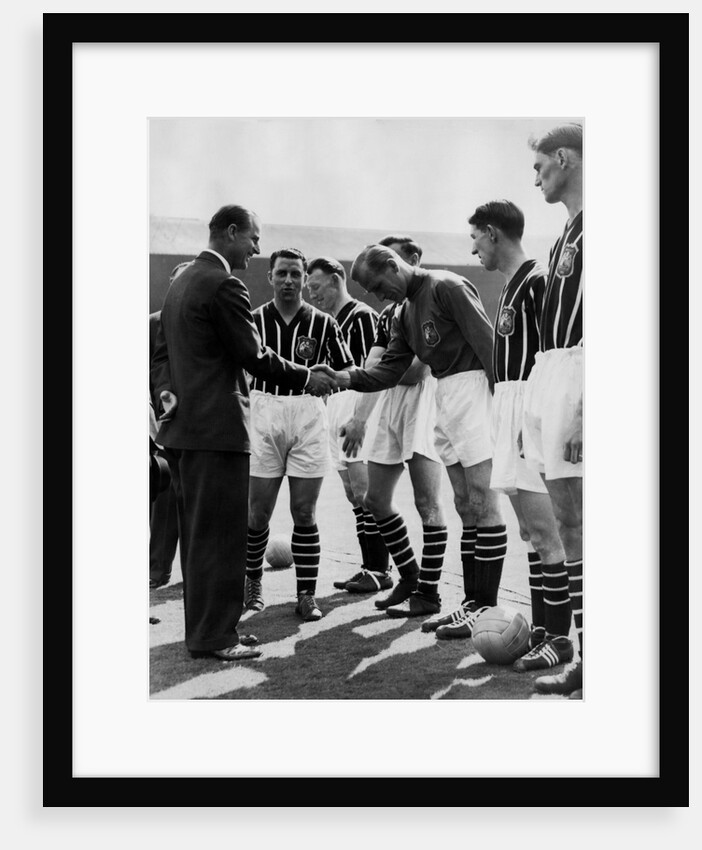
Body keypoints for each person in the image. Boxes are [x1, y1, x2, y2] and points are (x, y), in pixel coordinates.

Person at [150, 205, 336, 661]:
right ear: (231, 232)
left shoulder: (180, 282)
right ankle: (217, 637)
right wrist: (307, 376)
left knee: (197, 538)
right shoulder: (223, 284)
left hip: (184, 433)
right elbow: (255, 356)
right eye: (253, 238)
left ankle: (207, 631)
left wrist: (165, 396)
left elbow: (161, 355)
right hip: (217, 432)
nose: (255, 248)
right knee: (218, 537)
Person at [316, 244, 508, 638]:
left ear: (393, 265)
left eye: (377, 284)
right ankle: (471, 603)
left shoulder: (446, 286)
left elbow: (489, 346)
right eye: (369, 291)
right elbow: (387, 370)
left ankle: (485, 606)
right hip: (445, 396)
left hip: (472, 390)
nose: (376, 294)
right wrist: (344, 377)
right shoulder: (402, 313)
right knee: (464, 505)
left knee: (483, 501)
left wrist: (504, 407)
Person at [467, 200, 574, 671]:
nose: (473, 249)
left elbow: (553, 353)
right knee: (531, 533)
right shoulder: (512, 283)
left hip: (530, 406)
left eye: (475, 238)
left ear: (492, 233)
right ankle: (542, 629)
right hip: (507, 408)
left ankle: (560, 639)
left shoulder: (535, 279)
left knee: (549, 534)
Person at [335, 236, 448, 607]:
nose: (381, 291)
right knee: (375, 499)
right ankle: (409, 576)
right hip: (389, 403)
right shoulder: (388, 315)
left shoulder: (433, 299)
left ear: (409, 260)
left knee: (427, 502)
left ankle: (428, 592)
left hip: (425, 403)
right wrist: (359, 418)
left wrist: (378, 372)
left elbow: (415, 372)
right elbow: (373, 367)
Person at [243, 248, 353, 622]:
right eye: (281, 273)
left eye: (295, 274)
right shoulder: (254, 320)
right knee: (258, 511)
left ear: (306, 279)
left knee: (304, 511)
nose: (288, 280)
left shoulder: (323, 323)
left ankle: (306, 594)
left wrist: (333, 387)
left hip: (307, 413)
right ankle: (252, 583)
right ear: (269, 277)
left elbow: (345, 372)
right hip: (265, 411)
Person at [521, 123, 584, 698]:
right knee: (569, 523)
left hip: (582, 376)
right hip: (554, 373)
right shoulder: (564, 236)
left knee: (584, 521)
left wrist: (586, 411)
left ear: (565, 158)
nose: (536, 177)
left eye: (540, 166)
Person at [305, 256, 391, 593]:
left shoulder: (363, 317)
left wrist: (362, 418)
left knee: (366, 492)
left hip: (357, 406)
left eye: (315, 286)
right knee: (353, 494)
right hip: (335, 407)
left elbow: (375, 372)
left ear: (337, 278)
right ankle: (369, 567)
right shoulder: (327, 322)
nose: (312, 294)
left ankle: (380, 570)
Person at [148, 261, 191, 590]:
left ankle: (198, 575)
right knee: (164, 499)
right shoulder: (151, 325)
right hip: (160, 430)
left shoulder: (203, 322)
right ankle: (157, 571)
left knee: (199, 503)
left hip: (199, 429)